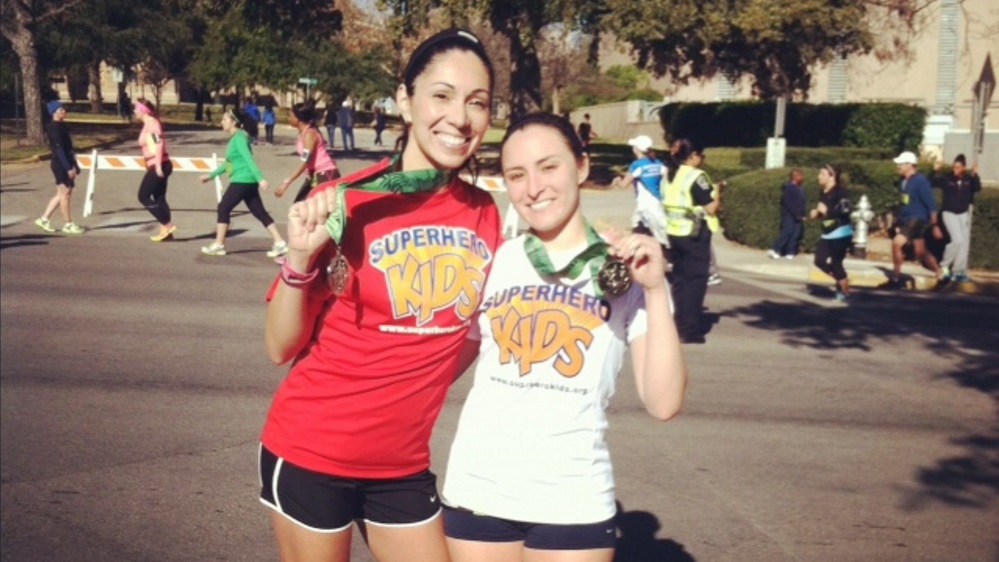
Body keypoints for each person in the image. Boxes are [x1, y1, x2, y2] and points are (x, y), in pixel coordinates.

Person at [259, 28, 502, 562]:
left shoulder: (486, 214)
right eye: (441, 95)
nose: (459, 117)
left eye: (476, 102)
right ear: (405, 100)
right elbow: (279, 347)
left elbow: (468, 333)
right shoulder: (346, 202)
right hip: (312, 452)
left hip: (401, 467)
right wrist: (299, 260)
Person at [442, 112, 688, 562]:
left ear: (581, 167)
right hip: (477, 489)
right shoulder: (493, 262)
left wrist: (654, 289)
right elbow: (436, 369)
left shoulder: (627, 270)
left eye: (548, 166)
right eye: (517, 175)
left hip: (572, 499)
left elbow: (664, 402)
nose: (533, 187)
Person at [198, 108, 288, 258]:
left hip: (242, 180)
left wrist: (260, 179)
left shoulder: (239, 138)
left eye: (225, 119)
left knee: (223, 208)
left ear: (234, 122)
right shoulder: (236, 138)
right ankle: (280, 243)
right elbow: (228, 163)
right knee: (259, 212)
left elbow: (249, 159)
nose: (222, 122)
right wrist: (211, 175)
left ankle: (219, 245)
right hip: (247, 181)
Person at [661, 138, 718, 344]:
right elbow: (710, 207)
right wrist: (718, 193)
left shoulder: (669, 174)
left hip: (674, 233)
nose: (702, 159)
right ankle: (690, 329)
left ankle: (678, 322)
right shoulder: (696, 176)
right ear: (693, 155)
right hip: (694, 234)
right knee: (695, 281)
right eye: (701, 155)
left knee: (680, 280)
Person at [889, 151, 943, 286]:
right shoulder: (903, 182)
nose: (898, 167)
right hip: (908, 219)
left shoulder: (921, 181)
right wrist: (899, 220)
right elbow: (904, 203)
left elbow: (930, 202)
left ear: (909, 165)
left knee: (897, 243)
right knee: (920, 251)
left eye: (901, 164)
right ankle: (939, 272)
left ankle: (895, 277)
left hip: (917, 218)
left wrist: (935, 224)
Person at [34, 100, 85, 235]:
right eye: (60, 110)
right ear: (53, 112)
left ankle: (44, 219)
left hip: (67, 162)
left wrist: (75, 164)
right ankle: (68, 224)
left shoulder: (62, 126)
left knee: (62, 194)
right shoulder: (53, 127)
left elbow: (69, 148)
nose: (63, 111)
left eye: (64, 109)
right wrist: (68, 167)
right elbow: (59, 149)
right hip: (60, 164)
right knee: (65, 195)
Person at [273, 101, 340, 202]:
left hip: (325, 175)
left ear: (298, 119)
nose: (288, 118)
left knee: (309, 210)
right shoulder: (305, 133)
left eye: (290, 116)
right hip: (314, 175)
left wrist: (286, 183)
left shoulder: (309, 135)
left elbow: (305, 160)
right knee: (300, 207)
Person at [809, 164, 853, 302]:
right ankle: (842, 280)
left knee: (836, 263)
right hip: (828, 232)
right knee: (819, 261)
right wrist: (817, 214)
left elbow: (845, 211)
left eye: (822, 174)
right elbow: (824, 213)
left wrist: (827, 211)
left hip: (841, 232)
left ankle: (845, 292)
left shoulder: (841, 192)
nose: (819, 176)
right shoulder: (823, 192)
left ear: (832, 176)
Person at [134, 98, 176, 242]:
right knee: (159, 198)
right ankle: (166, 232)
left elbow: (159, 145)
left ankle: (167, 224)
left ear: (142, 111)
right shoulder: (149, 124)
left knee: (143, 196)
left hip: (160, 164)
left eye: (136, 108)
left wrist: (157, 166)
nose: (134, 111)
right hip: (159, 163)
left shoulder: (152, 124)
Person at [616, 134, 669, 248]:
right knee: (639, 225)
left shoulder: (637, 165)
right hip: (657, 201)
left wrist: (617, 180)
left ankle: (665, 257)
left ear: (637, 149)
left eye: (634, 146)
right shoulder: (657, 162)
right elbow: (667, 176)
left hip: (645, 204)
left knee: (660, 236)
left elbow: (624, 185)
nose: (632, 148)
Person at [936, 154, 981, 282]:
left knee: (964, 243)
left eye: (958, 167)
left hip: (962, 213)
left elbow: (977, 188)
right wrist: (936, 170)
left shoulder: (968, 179)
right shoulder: (947, 179)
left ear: (963, 168)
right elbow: (933, 182)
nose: (955, 170)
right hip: (949, 213)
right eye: (954, 167)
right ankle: (944, 265)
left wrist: (975, 174)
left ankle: (958, 270)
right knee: (957, 240)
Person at [690, 147, 725, 286]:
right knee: (699, 247)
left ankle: (712, 273)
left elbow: (711, 205)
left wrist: (716, 191)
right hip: (695, 218)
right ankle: (708, 271)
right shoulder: (698, 175)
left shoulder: (699, 176)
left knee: (705, 248)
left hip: (703, 219)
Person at [769, 168, 807, 260]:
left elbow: (802, 203)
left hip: (798, 215)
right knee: (786, 232)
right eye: (800, 176)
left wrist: (803, 214)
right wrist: (797, 215)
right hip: (789, 215)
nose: (802, 178)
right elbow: (789, 204)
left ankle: (790, 251)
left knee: (795, 234)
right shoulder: (788, 188)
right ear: (795, 177)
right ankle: (776, 249)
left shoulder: (800, 188)